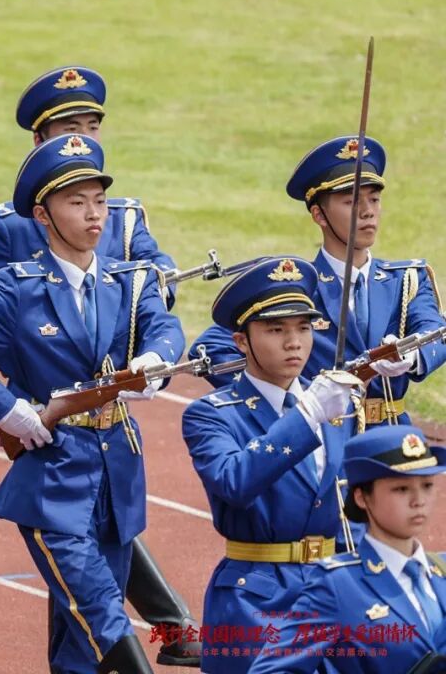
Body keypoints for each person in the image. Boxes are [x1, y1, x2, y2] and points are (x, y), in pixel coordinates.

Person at [0, 65, 197, 667]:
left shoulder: (125, 236)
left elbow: (159, 300)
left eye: (90, 126)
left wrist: (151, 354)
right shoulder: (15, 242)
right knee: (98, 611)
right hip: (53, 450)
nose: (95, 214)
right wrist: (13, 383)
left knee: (81, 627)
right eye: (67, 127)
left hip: (117, 454)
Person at [182, 256, 362, 673]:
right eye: (276, 330)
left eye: (304, 328)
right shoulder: (212, 414)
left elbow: (351, 503)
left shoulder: (338, 406)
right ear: (241, 341)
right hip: (256, 599)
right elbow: (234, 481)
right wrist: (306, 416)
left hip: (333, 591)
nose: (294, 342)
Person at [192, 136, 446, 433]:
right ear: (319, 215)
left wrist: (410, 356)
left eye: (374, 199)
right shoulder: (295, 285)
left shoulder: (406, 279)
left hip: (390, 434)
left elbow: (436, 333)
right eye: (352, 202)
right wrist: (285, 398)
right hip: (318, 438)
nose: (367, 211)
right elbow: (210, 350)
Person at [0, 65, 178, 314]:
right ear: (39, 140)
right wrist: (20, 326)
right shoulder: (12, 226)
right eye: (71, 130)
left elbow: (161, 273)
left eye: (93, 127)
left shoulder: (125, 221)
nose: (84, 140)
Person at [247, 425, 446, 673]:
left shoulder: (441, 572)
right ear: (362, 497)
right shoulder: (337, 585)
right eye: (401, 489)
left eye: (427, 485)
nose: (419, 501)